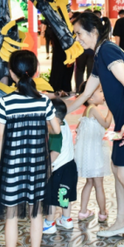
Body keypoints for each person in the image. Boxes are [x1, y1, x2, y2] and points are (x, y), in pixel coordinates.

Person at [68, 13, 124, 247]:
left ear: (93, 32)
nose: (78, 38)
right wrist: (60, 110)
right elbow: (85, 95)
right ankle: (122, 223)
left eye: (79, 33)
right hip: (121, 120)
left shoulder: (107, 50)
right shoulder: (99, 55)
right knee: (118, 170)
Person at [0, 50, 60, 247]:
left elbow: (0, 136)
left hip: (12, 165)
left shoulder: (6, 102)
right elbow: (56, 129)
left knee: (11, 215)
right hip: (37, 165)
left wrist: (1, 164)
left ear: (12, 73)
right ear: (35, 72)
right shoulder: (43, 102)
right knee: (36, 212)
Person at [73, 84, 113, 223]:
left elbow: (78, 130)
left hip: (87, 155)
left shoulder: (86, 111)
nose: (103, 94)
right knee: (99, 185)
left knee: (89, 182)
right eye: (100, 91)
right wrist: (111, 110)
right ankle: (103, 213)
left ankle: (83, 211)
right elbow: (106, 123)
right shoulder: (94, 109)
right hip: (94, 154)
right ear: (90, 96)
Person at [43, 98, 79, 234]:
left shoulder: (56, 132)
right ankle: (66, 219)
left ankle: (49, 223)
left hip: (57, 168)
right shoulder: (64, 123)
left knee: (51, 197)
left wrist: (46, 166)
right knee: (65, 194)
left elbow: (55, 152)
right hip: (70, 166)